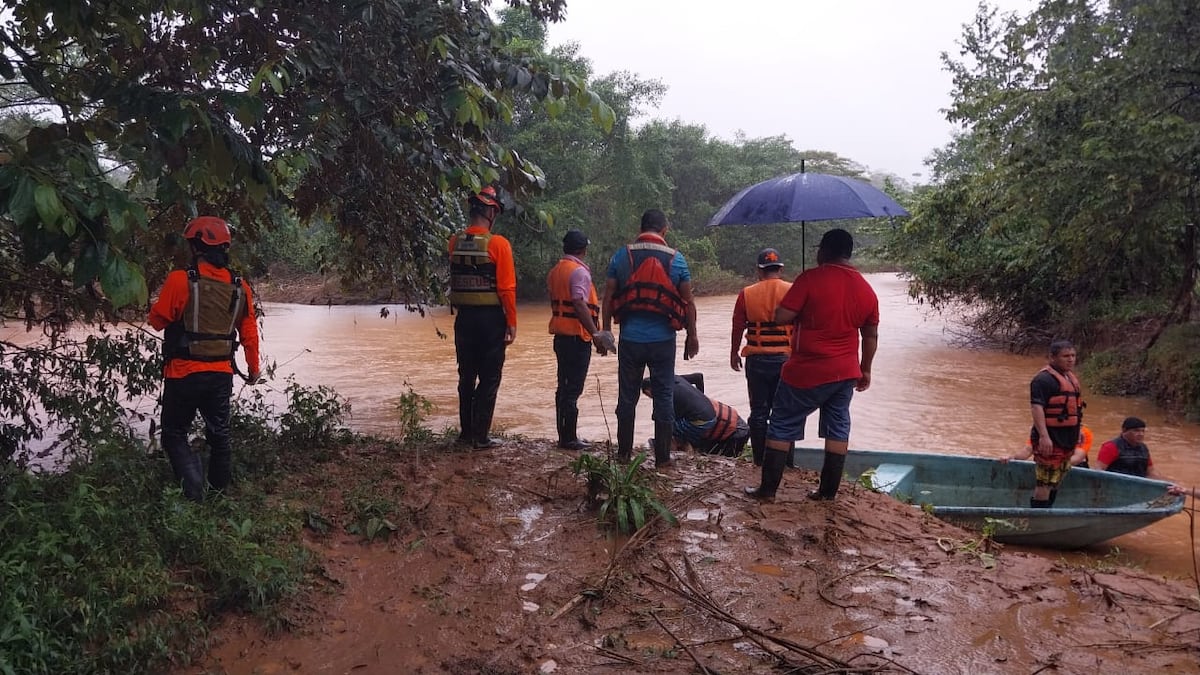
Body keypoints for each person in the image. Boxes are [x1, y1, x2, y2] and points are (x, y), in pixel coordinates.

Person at [745, 228, 879, 501]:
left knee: (781, 422)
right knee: (838, 426)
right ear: (848, 253)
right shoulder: (866, 288)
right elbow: (870, 334)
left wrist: (800, 297)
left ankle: (767, 491)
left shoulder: (809, 279)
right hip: (845, 372)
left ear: (825, 251)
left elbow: (781, 316)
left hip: (806, 370)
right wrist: (865, 369)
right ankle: (827, 493)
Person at [148, 216, 260, 502]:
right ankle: (219, 495)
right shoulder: (240, 286)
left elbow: (158, 321)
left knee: (174, 433)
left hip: (183, 373)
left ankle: (194, 489)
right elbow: (248, 333)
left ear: (196, 246)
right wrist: (254, 369)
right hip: (221, 374)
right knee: (219, 435)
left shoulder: (180, 280)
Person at [601, 208, 698, 467]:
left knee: (627, 396)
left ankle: (623, 456)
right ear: (664, 230)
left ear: (640, 228)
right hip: (663, 342)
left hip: (630, 340)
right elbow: (688, 303)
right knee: (664, 396)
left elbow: (608, 296)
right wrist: (692, 335)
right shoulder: (677, 260)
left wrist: (606, 329)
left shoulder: (622, 256)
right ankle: (663, 460)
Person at [448, 186, 516, 449]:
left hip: (464, 320)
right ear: (490, 212)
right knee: (489, 377)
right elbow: (507, 289)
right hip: (490, 321)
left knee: (466, 376)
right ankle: (480, 436)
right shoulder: (498, 244)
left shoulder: (454, 242)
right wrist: (511, 322)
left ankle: (466, 434)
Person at [546, 229, 616, 451]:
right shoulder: (579, 273)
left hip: (562, 336)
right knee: (572, 389)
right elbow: (578, 303)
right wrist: (596, 334)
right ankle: (568, 439)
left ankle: (564, 435)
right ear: (583, 249)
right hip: (576, 338)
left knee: (564, 388)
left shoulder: (556, 271)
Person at [730, 248, 794, 466]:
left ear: (759, 270)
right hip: (786, 360)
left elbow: (738, 326)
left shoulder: (746, 293)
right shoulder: (793, 291)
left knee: (759, 411)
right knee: (785, 412)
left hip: (756, 360)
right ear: (781, 269)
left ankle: (759, 460)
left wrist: (733, 353)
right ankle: (785, 462)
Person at [1027, 339, 1084, 508]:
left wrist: (1078, 429)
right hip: (1050, 437)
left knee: (1058, 477)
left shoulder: (1071, 379)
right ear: (1052, 358)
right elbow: (1037, 408)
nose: (1071, 359)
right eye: (1065, 356)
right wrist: (1044, 436)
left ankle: (1048, 509)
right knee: (1044, 480)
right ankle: (1038, 516)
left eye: (1073, 356)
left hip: (1068, 438)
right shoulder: (1043, 380)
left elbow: (1076, 408)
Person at [642, 374, 750, 456]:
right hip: (710, 412)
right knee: (674, 423)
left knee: (668, 427)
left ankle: (671, 451)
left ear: (649, 390)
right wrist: (701, 396)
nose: (652, 398)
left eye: (649, 395)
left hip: (704, 421)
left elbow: (661, 418)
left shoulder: (664, 394)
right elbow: (698, 377)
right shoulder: (674, 378)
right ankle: (683, 445)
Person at [1095, 417, 1186, 494]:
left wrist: (1169, 484)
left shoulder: (1143, 449)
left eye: (1143, 431)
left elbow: (1151, 473)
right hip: (1115, 488)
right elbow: (1099, 471)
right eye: (1136, 431)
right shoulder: (1111, 447)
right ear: (1124, 430)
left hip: (1138, 487)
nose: (1141, 434)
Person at [1004, 424, 1093, 468]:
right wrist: (1011, 458)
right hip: (1045, 466)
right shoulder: (1041, 429)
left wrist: (1053, 465)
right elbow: (1027, 450)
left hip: (1072, 468)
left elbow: (1077, 458)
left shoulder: (1082, 433)